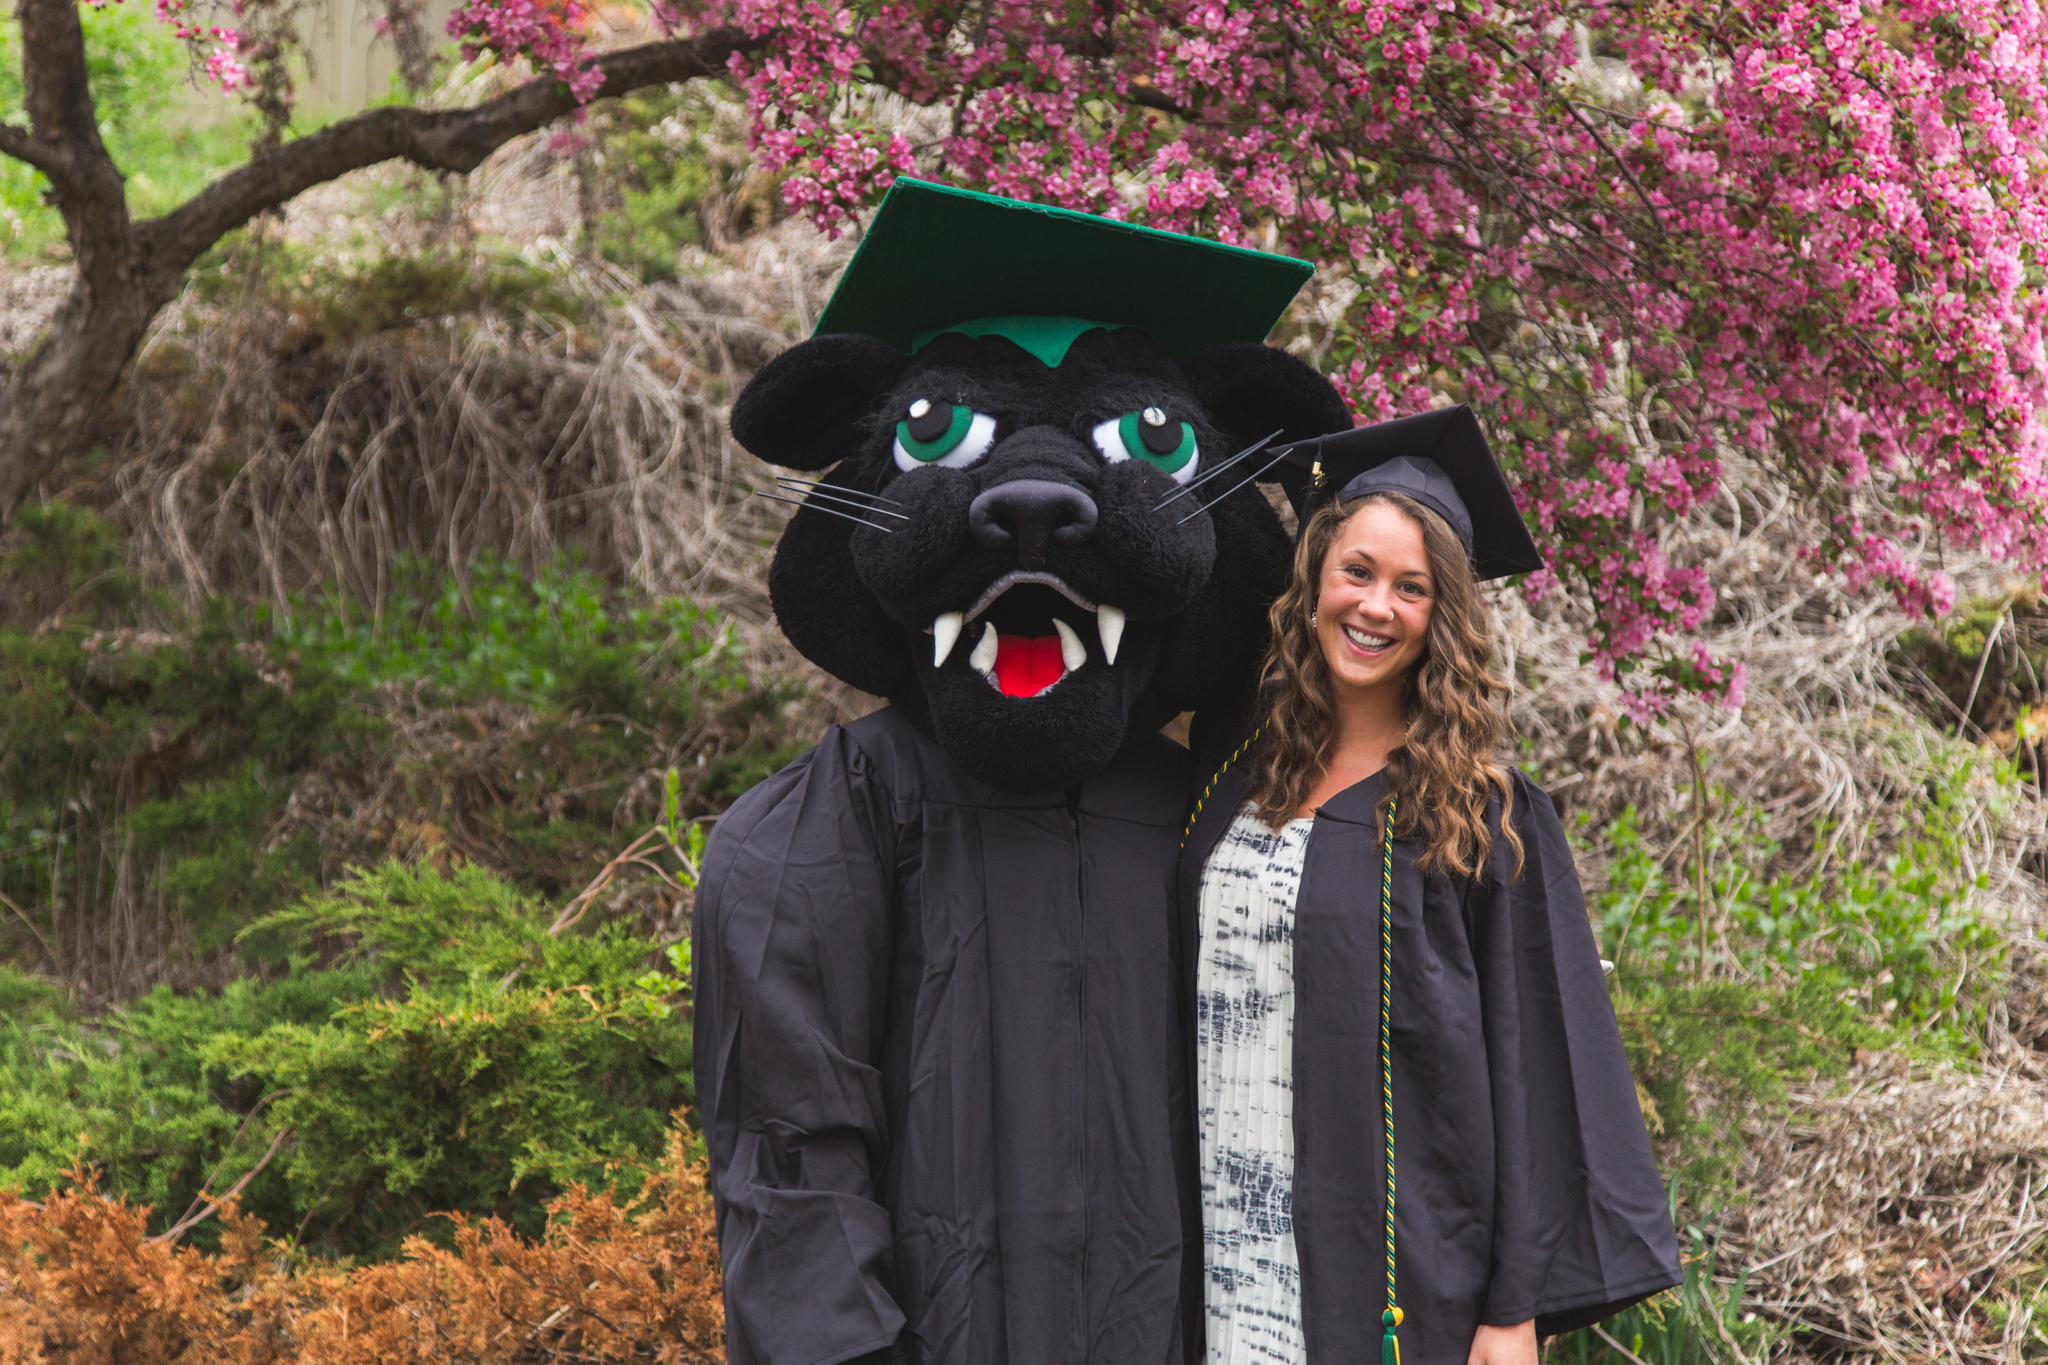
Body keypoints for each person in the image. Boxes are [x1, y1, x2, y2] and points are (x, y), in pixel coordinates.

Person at [693, 179, 1355, 1365]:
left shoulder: (1214, 818)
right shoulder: (834, 818)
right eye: (944, 435)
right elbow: (790, 1148)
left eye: (1149, 441)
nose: (1040, 497)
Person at [1179, 406, 1681, 1365]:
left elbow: (1534, 1054)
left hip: (1396, 1274)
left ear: (1440, 616)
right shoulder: (1230, 766)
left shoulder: (1480, 813)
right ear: (1316, 576)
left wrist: (1513, 1307)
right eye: (1358, 572)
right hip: (1220, 1243)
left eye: (1411, 589)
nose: (1375, 607)